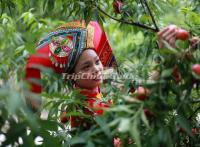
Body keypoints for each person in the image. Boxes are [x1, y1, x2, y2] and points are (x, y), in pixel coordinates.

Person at [24, 20, 195, 145]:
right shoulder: (85, 105)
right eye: (86, 67)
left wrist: (179, 57)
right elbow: (133, 102)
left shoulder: (95, 92)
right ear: (73, 76)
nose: (96, 69)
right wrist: (167, 61)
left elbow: (134, 89)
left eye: (97, 62)